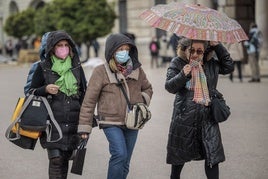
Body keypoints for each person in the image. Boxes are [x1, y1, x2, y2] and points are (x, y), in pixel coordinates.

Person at [78, 33, 153, 179]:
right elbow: (89, 101)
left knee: (125, 161)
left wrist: (141, 101)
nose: (124, 52)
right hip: (110, 121)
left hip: (133, 122)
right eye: (120, 49)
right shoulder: (100, 71)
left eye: (126, 49)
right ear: (111, 51)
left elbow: (148, 88)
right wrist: (84, 127)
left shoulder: (137, 69)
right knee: (119, 154)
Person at [165, 37, 234, 179]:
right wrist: (183, 74)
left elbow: (228, 67)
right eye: (192, 51)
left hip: (207, 119)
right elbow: (170, 87)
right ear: (185, 50)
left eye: (199, 51)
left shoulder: (210, 64)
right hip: (184, 119)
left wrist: (218, 46)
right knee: (178, 159)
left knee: (212, 157)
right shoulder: (178, 63)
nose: (195, 54)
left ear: (204, 52)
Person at [30, 30, 87, 179]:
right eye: (59, 45)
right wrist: (45, 89)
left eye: (66, 45)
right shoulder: (42, 67)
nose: (63, 48)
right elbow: (30, 92)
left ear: (71, 48)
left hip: (73, 123)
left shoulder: (77, 68)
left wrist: (86, 123)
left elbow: (84, 95)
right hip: (52, 124)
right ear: (51, 49)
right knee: (56, 160)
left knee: (65, 161)